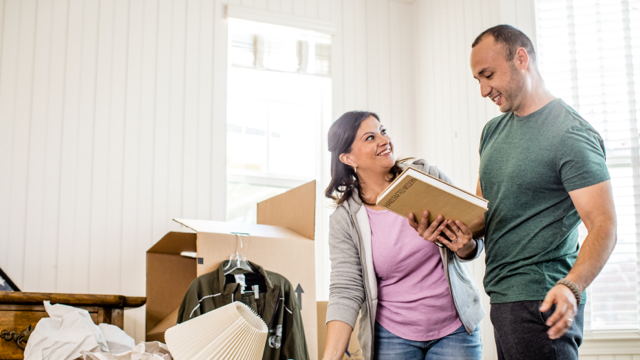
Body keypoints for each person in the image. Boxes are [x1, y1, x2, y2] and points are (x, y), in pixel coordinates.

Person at [419, 24, 617, 360]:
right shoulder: (492, 131)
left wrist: (571, 287)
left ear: (521, 59)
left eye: (488, 75)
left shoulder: (570, 134)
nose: (483, 90)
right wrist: (459, 239)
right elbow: (484, 218)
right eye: (477, 80)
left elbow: (604, 226)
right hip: (502, 298)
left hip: (543, 301)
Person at [322, 111, 484, 360]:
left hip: (455, 331)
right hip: (392, 338)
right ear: (348, 157)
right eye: (370, 137)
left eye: (383, 131)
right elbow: (346, 289)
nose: (383, 140)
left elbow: (473, 237)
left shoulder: (427, 176)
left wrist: (465, 245)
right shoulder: (346, 219)